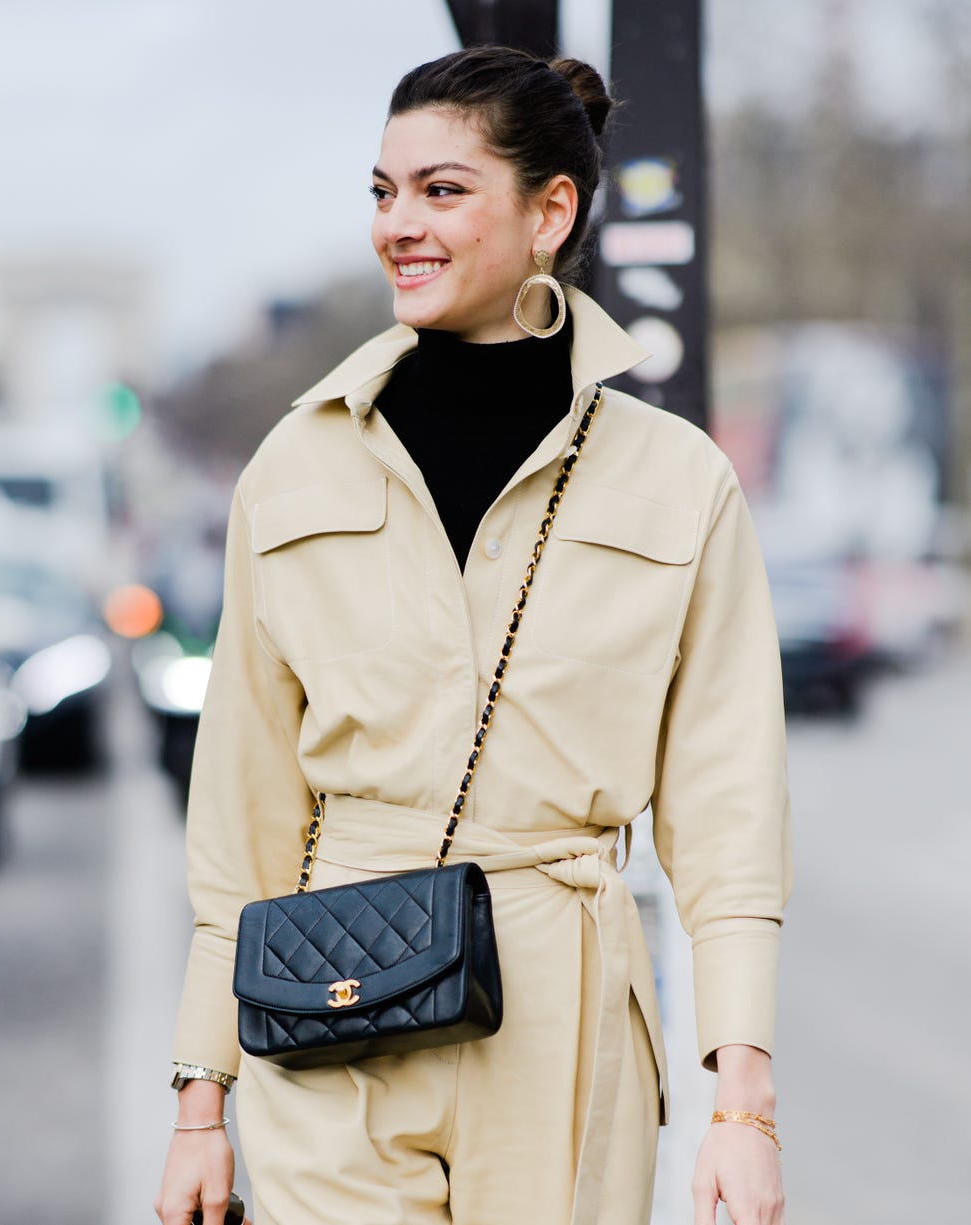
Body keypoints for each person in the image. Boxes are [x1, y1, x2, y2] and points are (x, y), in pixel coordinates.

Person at [155, 45, 791, 1225]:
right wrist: (201, 1101)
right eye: (383, 192)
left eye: (441, 190)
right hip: (325, 997)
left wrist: (740, 1107)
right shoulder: (292, 467)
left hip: (564, 1009)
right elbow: (239, 809)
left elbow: (727, 818)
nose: (399, 223)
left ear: (551, 210)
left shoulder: (675, 480)